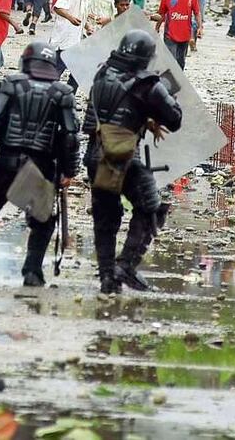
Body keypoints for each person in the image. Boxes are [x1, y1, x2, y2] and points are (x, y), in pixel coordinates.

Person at [0, 42, 79, 286]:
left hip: (7, 162)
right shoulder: (62, 92)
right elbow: (70, 136)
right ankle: (32, 271)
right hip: (42, 165)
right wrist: (69, 170)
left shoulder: (12, 84)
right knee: (42, 221)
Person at [84, 30, 182, 294]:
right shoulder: (148, 84)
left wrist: (145, 118)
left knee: (105, 217)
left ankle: (108, 277)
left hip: (96, 155)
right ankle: (126, 265)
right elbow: (174, 118)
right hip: (124, 158)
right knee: (151, 208)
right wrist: (166, 95)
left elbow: (106, 114)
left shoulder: (102, 73)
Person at [50, 0, 95, 79]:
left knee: (78, 70)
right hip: (65, 37)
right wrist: (70, 18)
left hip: (76, 38)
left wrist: (87, 26)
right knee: (59, 68)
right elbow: (57, 8)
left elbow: (81, 13)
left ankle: (67, 89)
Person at [157, 0, 201, 68]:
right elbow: (162, 13)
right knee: (170, 60)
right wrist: (157, 27)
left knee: (181, 61)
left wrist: (200, 27)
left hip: (185, 33)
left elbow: (197, 12)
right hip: (170, 33)